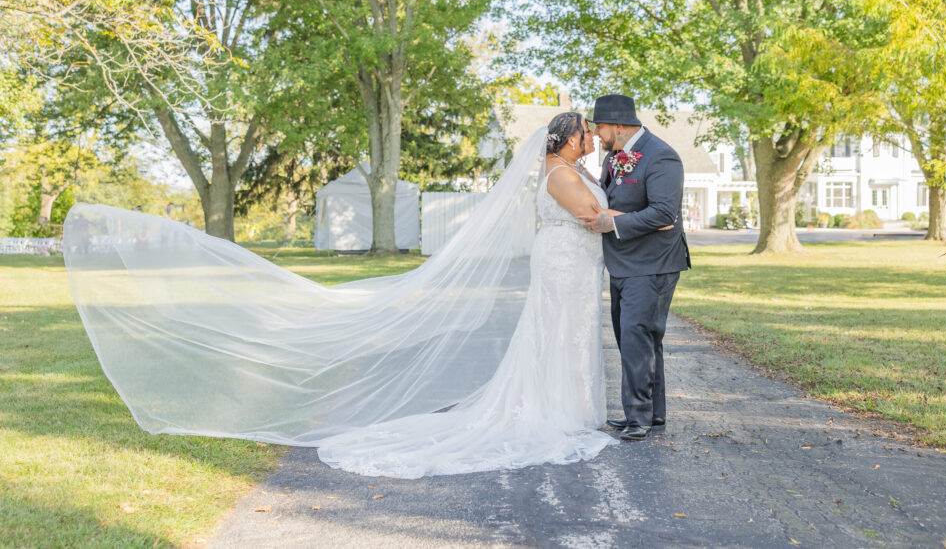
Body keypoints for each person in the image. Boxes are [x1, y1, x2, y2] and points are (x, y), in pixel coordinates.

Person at [63, 113, 617, 479]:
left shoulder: (569, 167)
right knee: (557, 337)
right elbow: (592, 218)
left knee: (564, 337)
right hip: (564, 267)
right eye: (586, 133)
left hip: (570, 266)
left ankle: (569, 407)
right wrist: (644, 220)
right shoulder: (560, 174)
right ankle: (559, 411)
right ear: (569, 137)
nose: (592, 137)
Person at [581, 94, 691, 442]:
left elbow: (663, 213)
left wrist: (612, 223)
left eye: (599, 127)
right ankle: (652, 413)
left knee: (635, 337)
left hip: (653, 263)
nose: (596, 134)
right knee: (639, 338)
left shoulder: (662, 156)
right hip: (624, 263)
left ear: (618, 125)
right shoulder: (616, 156)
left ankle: (638, 417)